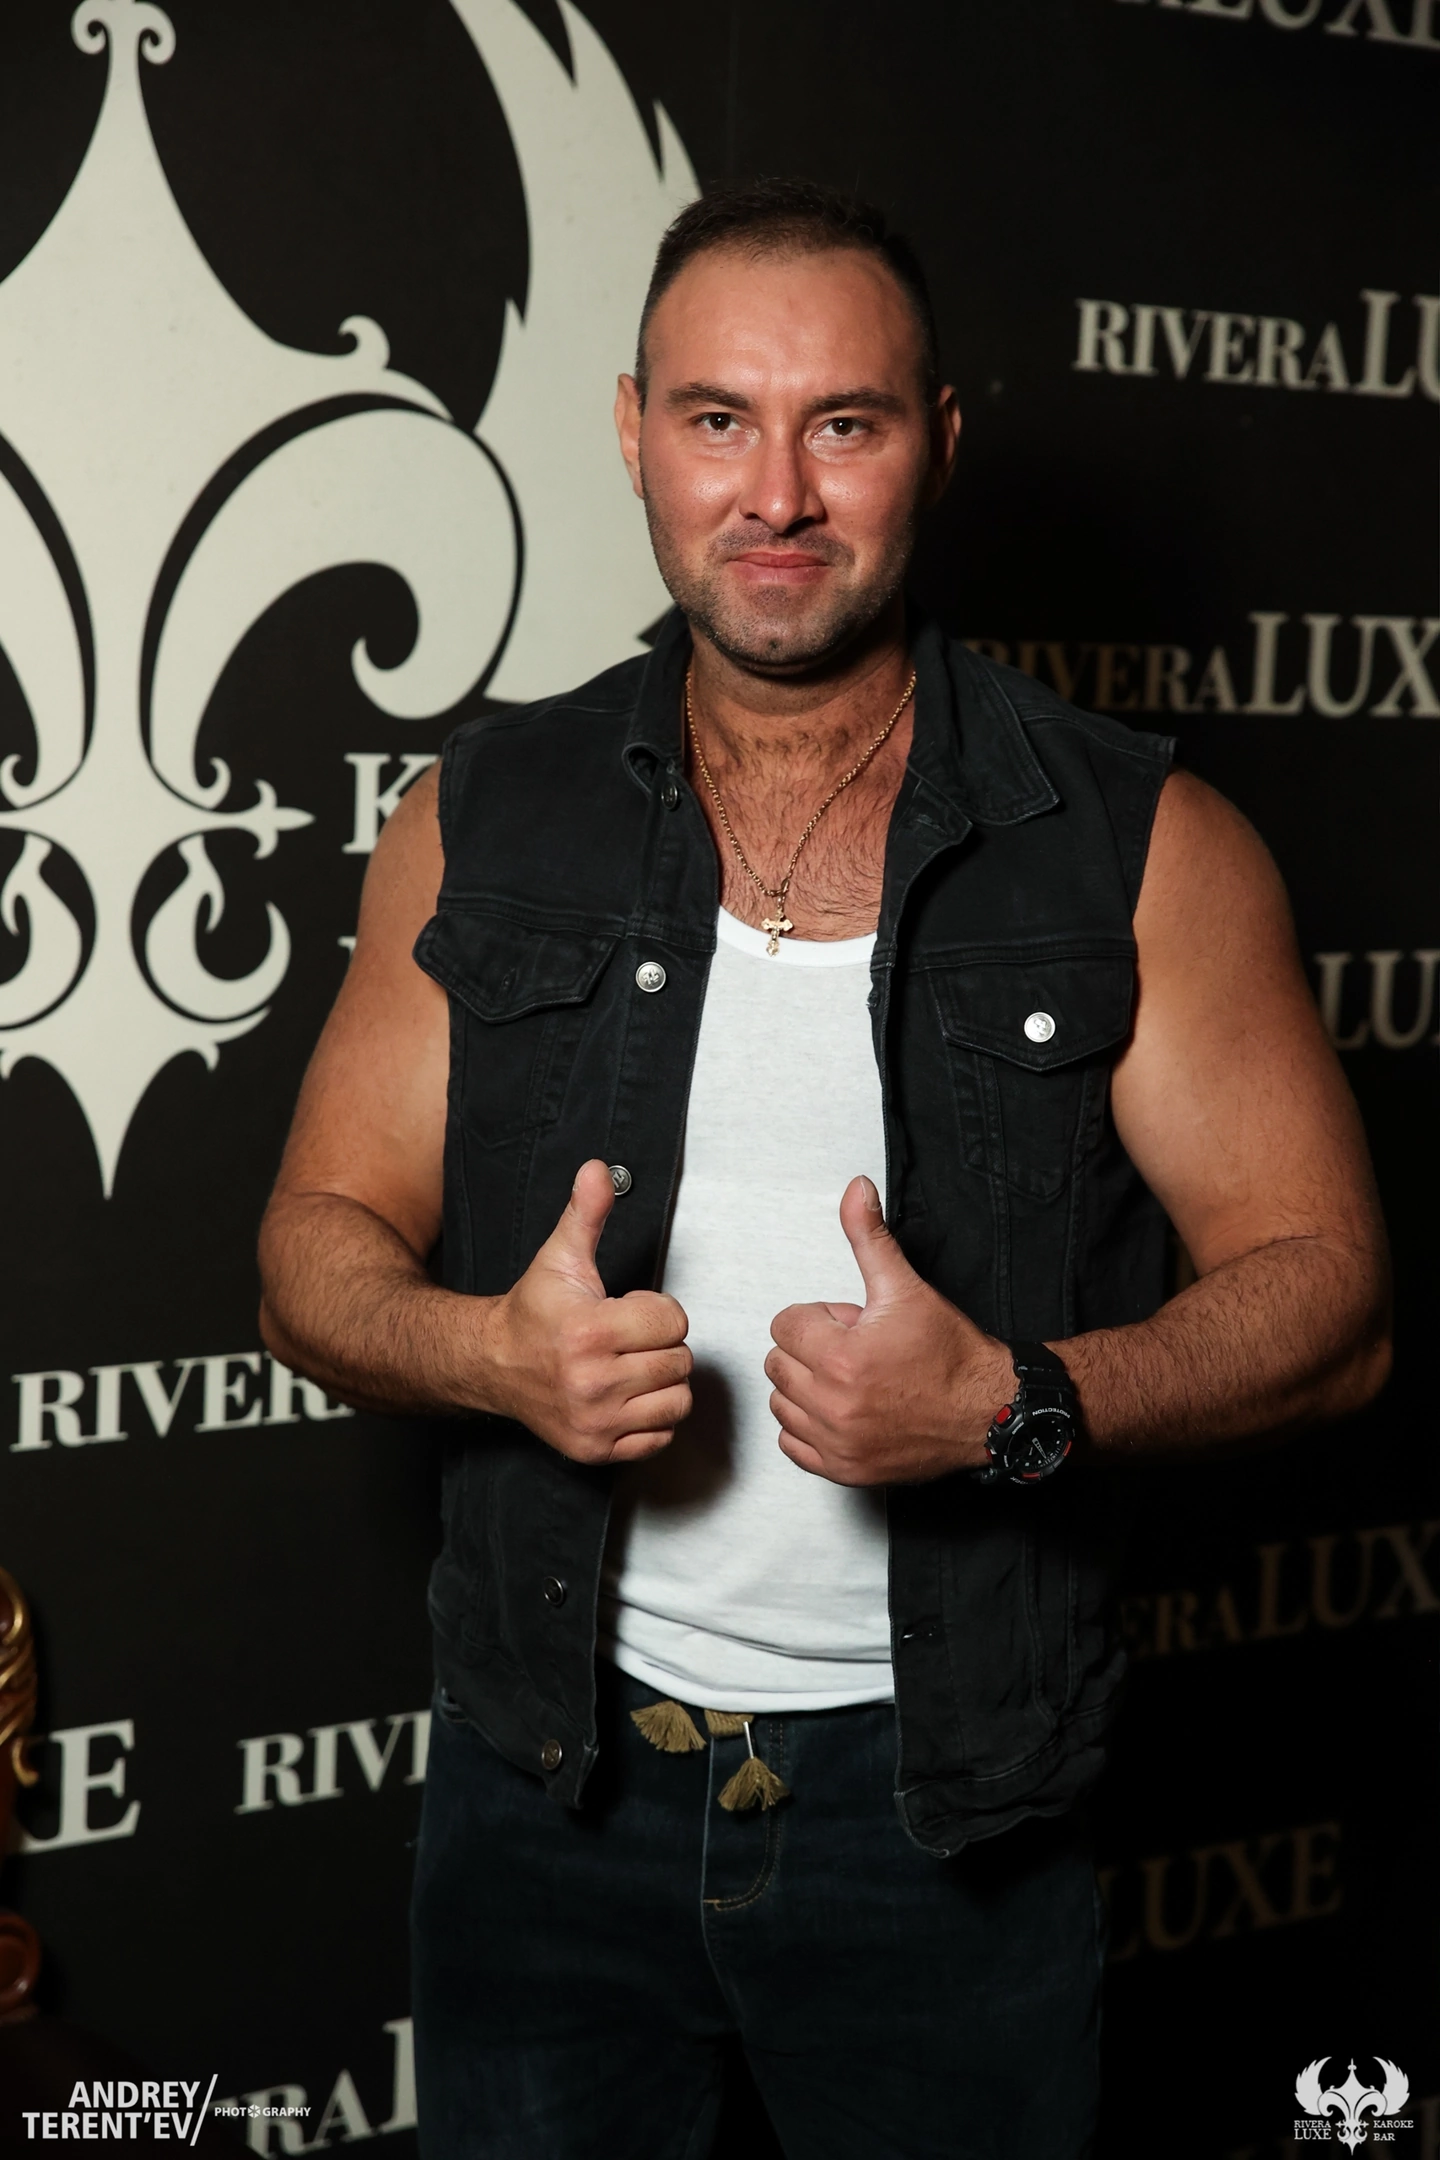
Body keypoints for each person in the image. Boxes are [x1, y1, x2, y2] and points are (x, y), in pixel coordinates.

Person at [257, 179, 1390, 2160]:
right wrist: (488, 1355)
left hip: (944, 1826)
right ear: (634, 434)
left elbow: (1333, 1310)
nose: (775, 494)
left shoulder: (1140, 848)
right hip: (546, 1795)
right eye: (719, 420)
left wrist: (1012, 1408)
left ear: (935, 442)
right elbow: (311, 1249)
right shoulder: (480, 818)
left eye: (840, 424)